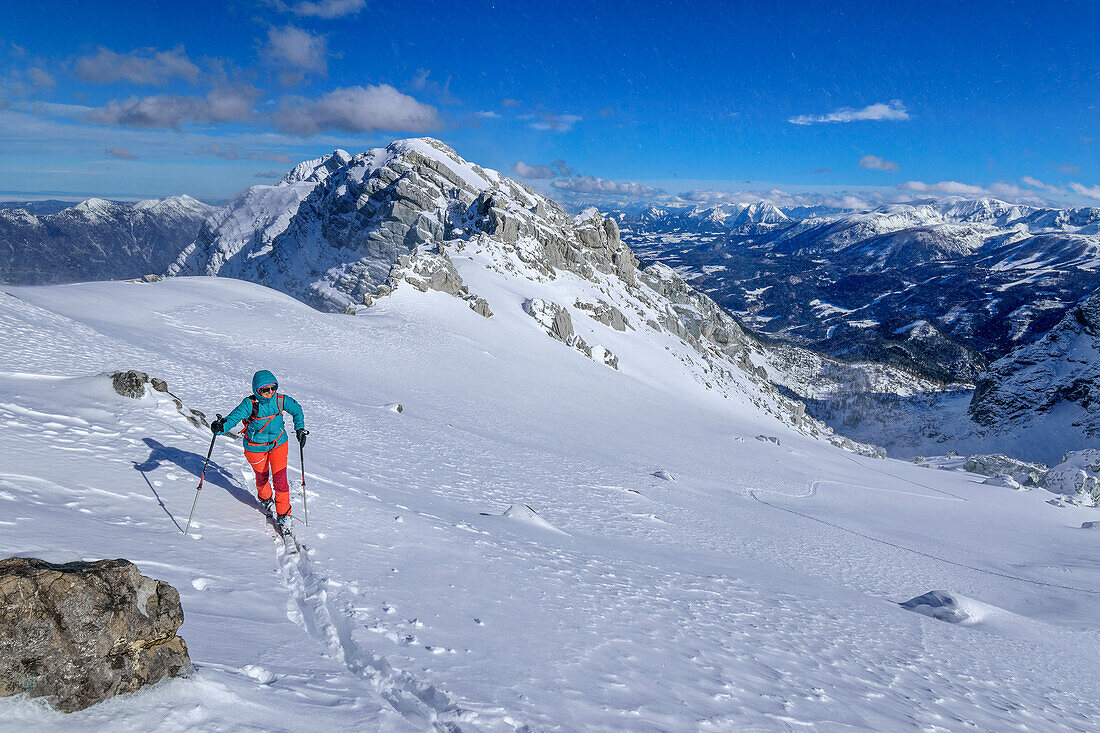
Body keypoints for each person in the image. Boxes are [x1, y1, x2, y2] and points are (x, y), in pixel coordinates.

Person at [211, 370, 306, 528]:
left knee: (280, 480)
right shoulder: (250, 404)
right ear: (257, 390)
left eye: (273, 388)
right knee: (262, 476)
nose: (270, 392)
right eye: (265, 390)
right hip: (255, 447)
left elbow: (297, 410)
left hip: (278, 444)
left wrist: (300, 429)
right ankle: (266, 499)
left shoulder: (280, 400)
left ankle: (283, 514)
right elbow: (233, 418)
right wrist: (220, 427)